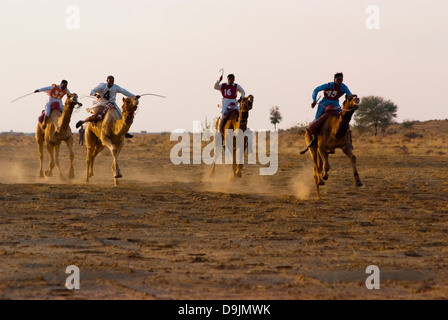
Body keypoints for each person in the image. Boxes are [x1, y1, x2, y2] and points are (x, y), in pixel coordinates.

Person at [75, 75, 140, 138]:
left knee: (121, 117)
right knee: (95, 117)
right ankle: (82, 121)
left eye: (113, 81)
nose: (111, 83)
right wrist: (96, 95)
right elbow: (92, 91)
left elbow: (124, 91)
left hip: (112, 104)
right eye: (110, 81)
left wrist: (134, 96)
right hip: (102, 103)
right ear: (107, 81)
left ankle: (125, 132)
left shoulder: (116, 87)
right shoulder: (102, 86)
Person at [307, 72, 352, 147]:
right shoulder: (328, 85)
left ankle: (348, 140)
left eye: (341, 80)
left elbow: (349, 95)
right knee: (317, 119)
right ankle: (314, 139)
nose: (339, 81)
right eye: (338, 79)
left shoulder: (344, 87)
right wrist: (314, 100)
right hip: (323, 104)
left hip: (336, 104)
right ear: (334, 79)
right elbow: (316, 90)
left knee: (343, 119)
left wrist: (352, 101)